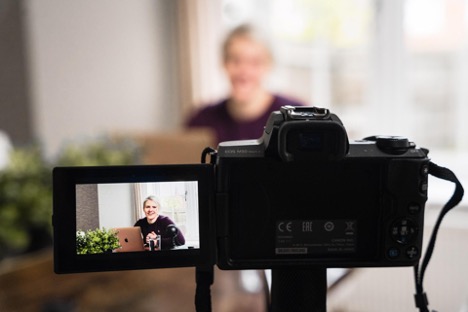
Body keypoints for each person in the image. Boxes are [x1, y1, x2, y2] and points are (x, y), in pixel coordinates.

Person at [186, 24, 304, 143]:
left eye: (255, 62)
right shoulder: (201, 121)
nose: (244, 71)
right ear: (224, 63)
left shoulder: (295, 117)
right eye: (236, 60)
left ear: (269, 66)